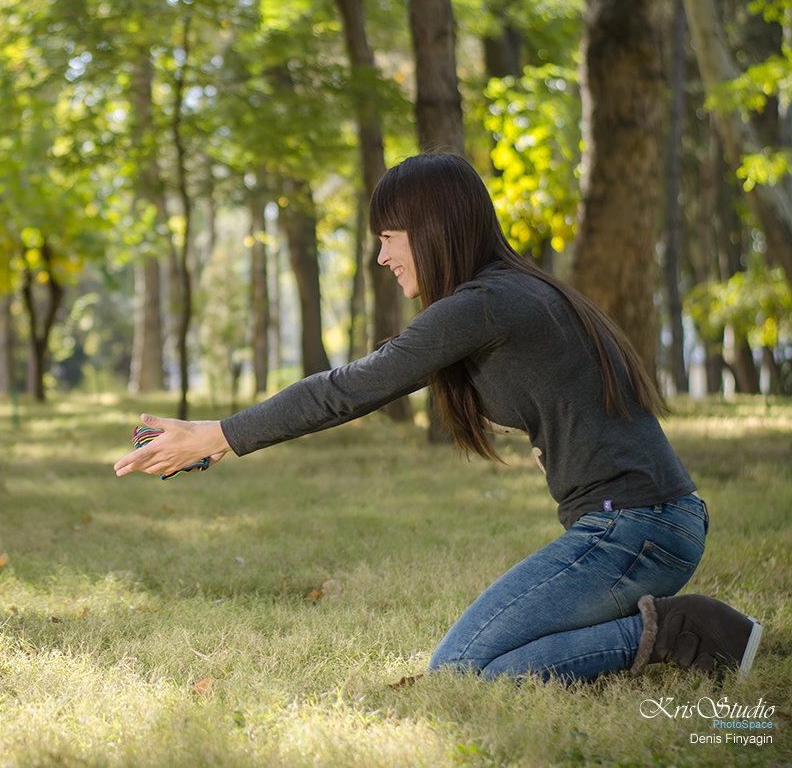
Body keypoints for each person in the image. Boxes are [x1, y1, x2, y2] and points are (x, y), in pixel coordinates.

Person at [114, 153, 763, 682]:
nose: (382, 257)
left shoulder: (485, 304)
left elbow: (349, 388)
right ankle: (668, 624)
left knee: (460, 667)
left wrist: (218, 434)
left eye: (389, 238)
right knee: (491, 659)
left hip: (633, 531)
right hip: (648, 526)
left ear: (432, 228)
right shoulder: (509, 295)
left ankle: (677, 630)